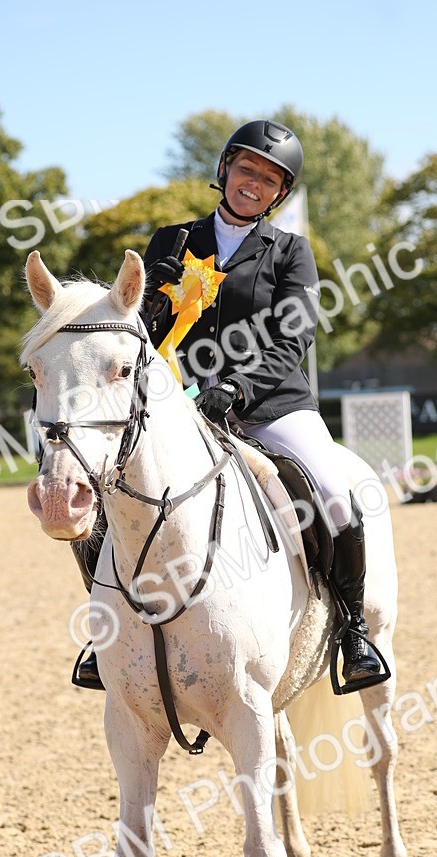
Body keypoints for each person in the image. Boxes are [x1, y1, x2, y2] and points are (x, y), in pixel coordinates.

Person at [72, 118, 381, 689]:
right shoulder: (172, 240)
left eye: (268, 179)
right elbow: (136, 339)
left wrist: (237, 388)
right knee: (104, 494)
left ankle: (353, 631)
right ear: (224, 171)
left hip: (274, 406)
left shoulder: (291, 252)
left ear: (278, 194)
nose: (253, 183)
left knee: (336, 494)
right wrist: (152, 303)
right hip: (179, 407)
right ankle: (106, 634)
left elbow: (295, 338)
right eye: (246, 170)